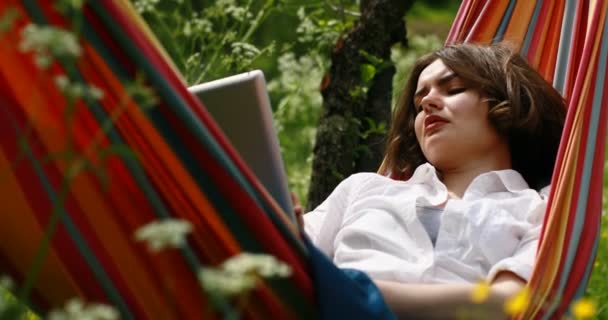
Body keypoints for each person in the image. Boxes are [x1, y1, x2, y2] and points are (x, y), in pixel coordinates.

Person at [301, 42, 566, 319]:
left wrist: (353, 291)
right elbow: (288, 250)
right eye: (418, 104)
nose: (428, 103)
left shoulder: (542, 208)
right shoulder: (363, 189)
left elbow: (505, 303)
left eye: (453, 90)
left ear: (507, 104)